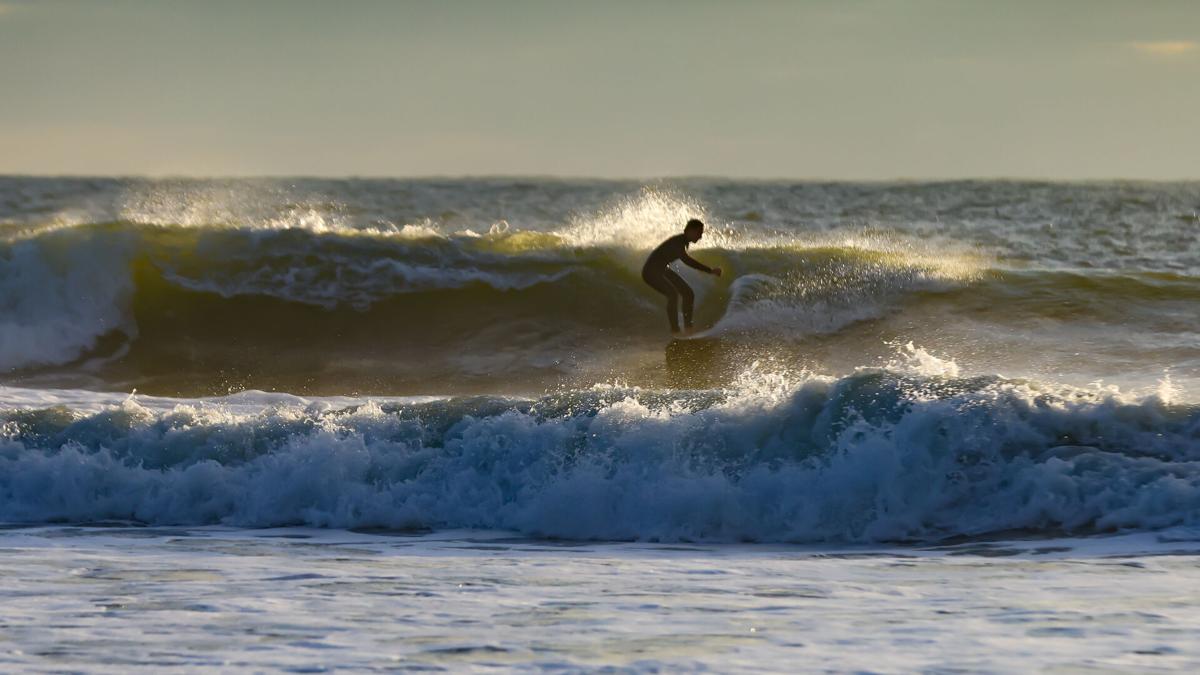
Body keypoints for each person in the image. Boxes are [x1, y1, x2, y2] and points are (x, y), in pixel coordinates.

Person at [642, 219, 722, 334]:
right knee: (673, 294)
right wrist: (710, 270)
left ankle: (688, 327)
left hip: (662, 270)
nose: (700, 237)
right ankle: (675, 330)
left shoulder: (682, 241)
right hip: (651, 271)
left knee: (688, 293)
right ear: (690, 231)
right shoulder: (678, 242)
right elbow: (687, 260)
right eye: (699, 233)